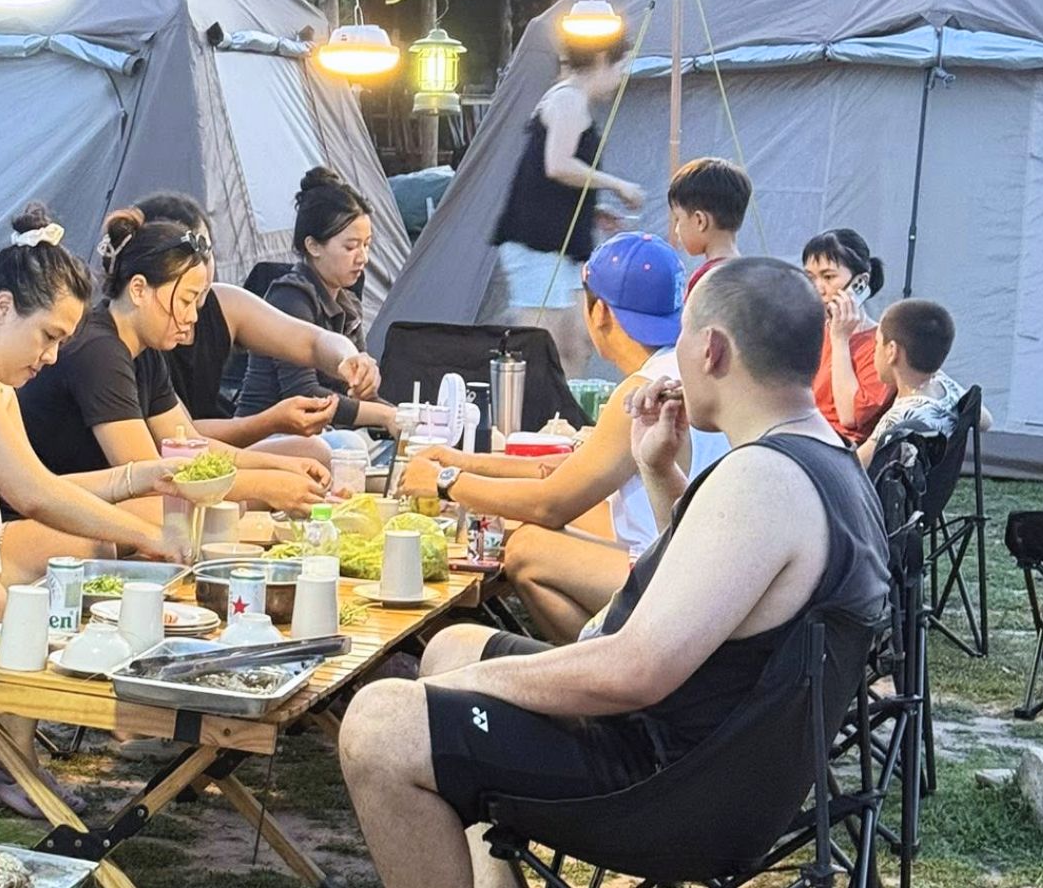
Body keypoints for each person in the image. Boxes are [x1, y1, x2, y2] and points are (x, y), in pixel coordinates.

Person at [337, 258, 891, 888]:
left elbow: (636, 671)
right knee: (451, 646)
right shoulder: (825, 459)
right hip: (723, 765)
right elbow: (719, 581)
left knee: (381, 724)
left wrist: (473, 687)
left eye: (682, 337)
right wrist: (656, 469)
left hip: (670, 787)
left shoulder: (762, 478)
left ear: (711, 349)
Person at [0, 205, 187, 815]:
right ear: (2, 308)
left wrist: (138, 478)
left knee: (73, 559)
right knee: (25, 588)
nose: (51, 356)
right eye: (49, 336)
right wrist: (144, 531)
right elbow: (32, 495)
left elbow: (42, 484)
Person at [399, 233, 729, 642]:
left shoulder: (643, 389)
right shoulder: (683, 369)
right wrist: (462, 461)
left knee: (527, 549)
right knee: (542, 522)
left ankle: (600, 666)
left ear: (600, 312)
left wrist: (445, 483)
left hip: (671, 579)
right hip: (702, 569)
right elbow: (568, 471)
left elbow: (550, 504)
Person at [18, 208, 332, 515]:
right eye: (185, 300)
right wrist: (265, 485)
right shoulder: (99, 351)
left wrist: (283, 466)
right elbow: (148, 477)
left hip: (98, 502)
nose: (192, 316)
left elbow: (190, 445)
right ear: (138, 290)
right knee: (190, 511)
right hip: (50, 510)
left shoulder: (145, 351)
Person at [132, 192, 382, 457]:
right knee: (331, 449)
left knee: (326, 450)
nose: (201, 268)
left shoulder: (224, 303)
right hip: (189, 455)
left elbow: (312, 341)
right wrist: (271, 422)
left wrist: (349, 359)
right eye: (351, 247)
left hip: (211, 452)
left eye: (207, 252)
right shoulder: (135, 342)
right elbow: (179, 439)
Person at [488, 30, 646, 378]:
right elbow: (557, 165)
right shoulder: (567, 99)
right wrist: (616, 184)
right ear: (602, 59)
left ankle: (566, 408)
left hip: (563, 242)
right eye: (620, 66)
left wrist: (593, 209)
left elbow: (549, 179)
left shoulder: (574, 101)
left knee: (578, 341)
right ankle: (524, 408)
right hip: (537, 242)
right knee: (541, 342)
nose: (621, 77)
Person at [235, 168, 398, 433]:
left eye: (367, 245)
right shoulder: (290, 298)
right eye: (351, 247)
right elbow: (304, 393)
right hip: (264, 437)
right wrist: (387, 415)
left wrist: (404, 417)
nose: (363, 258)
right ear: (313, 246)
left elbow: (359, 397)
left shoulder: (348, 304)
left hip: (321, 435)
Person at [856, 298, 992, 467]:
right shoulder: (947, 388)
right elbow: (986, 421)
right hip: (937, 482)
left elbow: (853, 468)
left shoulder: (900, 418)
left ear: (892, 351)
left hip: (897, 484)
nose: (874, 351)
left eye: (877, 343)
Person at [803, 228, 895, 446]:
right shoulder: (812, 330)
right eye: (810, 278)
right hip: (802, 433)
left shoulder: (883, 345)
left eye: (828, 277)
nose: (818, 288)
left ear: (860, 283)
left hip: (839, 448)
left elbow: (850, 417)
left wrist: (840, 340)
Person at [668, 156, 751, 295]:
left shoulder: (705, 280)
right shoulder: (751, 272)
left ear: (700, 221)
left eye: (678, 219)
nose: (676, 230)